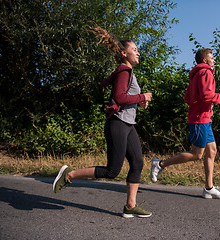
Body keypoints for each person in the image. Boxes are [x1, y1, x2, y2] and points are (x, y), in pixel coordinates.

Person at [53, 25, 153, 218]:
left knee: (138, 163)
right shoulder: (124, 71)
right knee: (112, 170)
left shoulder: (128, 72)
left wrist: (140, 102)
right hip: (118, 123)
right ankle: (69, 175)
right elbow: (120, 97)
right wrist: (141, 97)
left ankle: (130, 206)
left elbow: (126, 98)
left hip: (128, 124)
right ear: (124, 53)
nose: (138, 53)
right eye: (135, 50)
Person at [150, 48, 220, 199]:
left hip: (203, 118)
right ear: (205, 60)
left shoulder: (196, 74)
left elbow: (187, 97)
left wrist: (200, 106)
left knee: (212, 150)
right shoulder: (205, 72)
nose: (214, 60)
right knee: (197, 154)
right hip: (200, 119)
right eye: (212, 57)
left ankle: (209, 188)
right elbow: (207, 95)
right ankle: (160, 164)